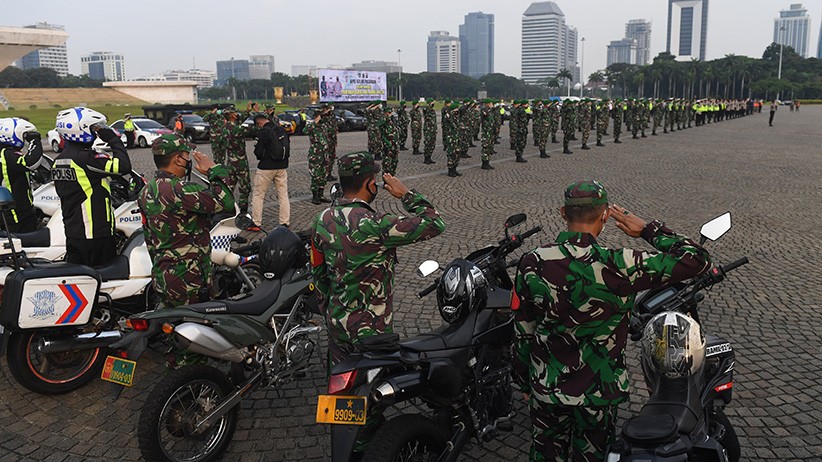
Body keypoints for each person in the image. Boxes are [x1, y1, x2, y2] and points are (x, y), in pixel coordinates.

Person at [512, 180, 711, 462]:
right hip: (599, 392)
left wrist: (523, 383)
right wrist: (648, 230)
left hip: (548, 387)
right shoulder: (621, 264)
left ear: (562, 213)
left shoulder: (533, 262)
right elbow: (697, 259)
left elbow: (523, 330)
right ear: (605, 215)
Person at [310, 151, 445, 366]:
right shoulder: (376, 224)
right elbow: (434, 223)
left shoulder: (323, 219)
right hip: (372, 330)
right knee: (372, 389)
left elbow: (318, 275)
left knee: (340, 384)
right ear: (370, 184)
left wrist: (330, 313)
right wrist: (406, 194)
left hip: (337, 326)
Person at [140, 134, 235, 308]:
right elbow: (226, 202)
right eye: (186, 155)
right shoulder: (181, 190)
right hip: (189, 281)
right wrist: (214, 170)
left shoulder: (147, 190)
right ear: (177, 159)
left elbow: (149, 237)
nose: (189, 160)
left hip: (163, 277)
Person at [53, 107, 132, 266]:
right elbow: (124, 166)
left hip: (74, 232)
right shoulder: (87, 158)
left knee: (81, 279)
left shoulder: (60, 160)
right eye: (94, 128)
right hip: (96, 233)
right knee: (104, 279)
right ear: (82, 129)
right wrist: (113, 139)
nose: (97, 133)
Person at [0, 117, 43, 233]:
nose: (25, 139)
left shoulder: (5, 153)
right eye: (24, 135)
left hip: (13, 207)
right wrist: (35, 141)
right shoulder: (8, 153)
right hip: (16, 210)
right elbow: (30, 162)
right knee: (26, 239)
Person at [251, 113, 290, 229]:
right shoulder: (281, 130)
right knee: (283, 195)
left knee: (258, 195)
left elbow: (258, 152)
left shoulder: (263, 132)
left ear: (259, 123)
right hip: (282, 166)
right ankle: (285, 222)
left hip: (266, 167)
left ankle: (256, 222)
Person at [305, 110, 331, 205]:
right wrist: (315, 121)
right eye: (321, 116)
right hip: (315, 154)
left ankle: (321, 194)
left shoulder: (324, 126)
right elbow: (305, 131)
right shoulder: (311, 125)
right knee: (315, 175)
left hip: (324, 154)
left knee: (323, 174)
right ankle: (315, 196)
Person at [422, 99, 437, 165]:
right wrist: (429, 105)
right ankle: (426, 158)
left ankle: (429, 156)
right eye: (432, 102)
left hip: (433, 129)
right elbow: (425, 110)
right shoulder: (427, 109)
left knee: (432, 144)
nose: (433, 103)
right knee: (428, 143)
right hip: (428, 129)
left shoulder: (432, 110)